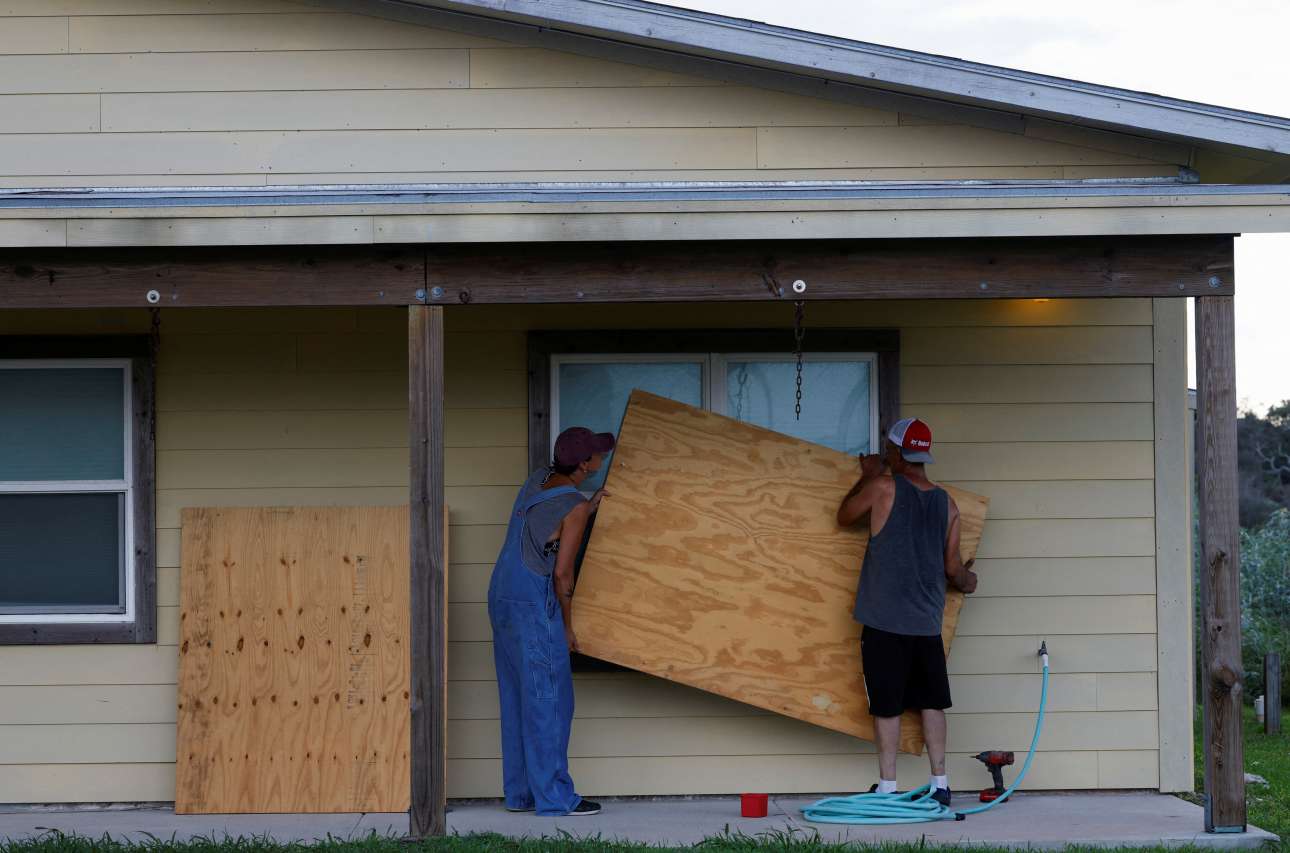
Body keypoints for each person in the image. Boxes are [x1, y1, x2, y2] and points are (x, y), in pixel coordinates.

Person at [836, 417, 979, 807]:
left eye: (889, 451)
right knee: (932, 702)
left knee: (887, 704)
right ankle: (940, 784)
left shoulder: (882, 487)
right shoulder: (947, 504)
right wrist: (969, 580)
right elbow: (953, 570)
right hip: (926, 623)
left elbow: (844, 515)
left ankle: (888, 788)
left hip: (884, 621)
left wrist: (868, 475)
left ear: (897, 453)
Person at [486, 426, 614, 817]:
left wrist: (588, 507)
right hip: (532, 601)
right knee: (550, 700)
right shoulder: (572, 505)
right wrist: (567, 627)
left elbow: (545, 522)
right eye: (597, 454)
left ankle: (521, 793)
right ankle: (556, 798)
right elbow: (562, 575)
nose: (602, 458)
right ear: (585, 465)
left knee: (517, 695)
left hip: (502, 593)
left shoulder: (539, 479)